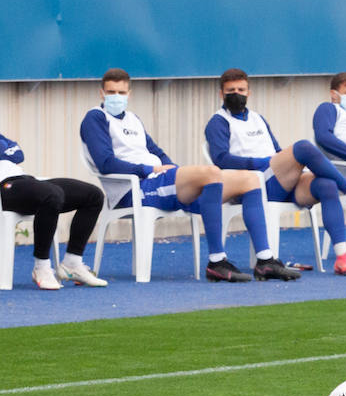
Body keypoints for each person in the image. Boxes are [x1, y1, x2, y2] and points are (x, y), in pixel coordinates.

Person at [80, 68, 261, 283]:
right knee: (211, 172)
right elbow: (106, 163)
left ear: (130, 93)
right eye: (111, 92)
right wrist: (148, 170)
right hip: (133, 189)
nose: (116, 98)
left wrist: (171, 168)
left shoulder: (133, 119)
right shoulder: (95, 118)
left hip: (159, 182)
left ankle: (265, 259)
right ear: (102, 93)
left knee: (250, 180)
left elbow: (155, 151)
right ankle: (217, 261)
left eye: (121, 93)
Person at [206, 69, 346, 277]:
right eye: (231, 90)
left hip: (278, 177)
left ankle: (342, 257)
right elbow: (220, 159)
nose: (236, 94)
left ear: (249, 92)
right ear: (221, 94)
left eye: (241, 89)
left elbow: (275, 150)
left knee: (326, 184)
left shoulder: (258, 119)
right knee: (303, 147)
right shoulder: (218, 122)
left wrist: (284, 164)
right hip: (253, 183)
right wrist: (262, 162)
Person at [1, 131, 107, 289]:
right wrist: (6, 153)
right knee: (51, 195)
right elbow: (11, 153)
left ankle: (72, 263)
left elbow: (18, 154)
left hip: (25, 180)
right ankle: (41, 267)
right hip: (5, 187)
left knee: (93, 195)